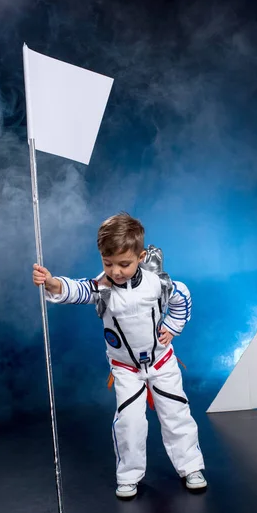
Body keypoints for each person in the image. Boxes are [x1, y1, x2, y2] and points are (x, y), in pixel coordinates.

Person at [32, 213, 206, 498]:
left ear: (140, 257)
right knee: (129, 422)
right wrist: (53, 284)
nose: (115, 271)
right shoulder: (102, 286)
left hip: (162, 362)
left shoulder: (157, 283)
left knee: (176, 414)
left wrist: (173, 327)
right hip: (125, 368)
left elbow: (182, 297)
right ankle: (128, 475)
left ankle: (191, 466)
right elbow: (76, 290)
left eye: (124, 264)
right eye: (108, 263)